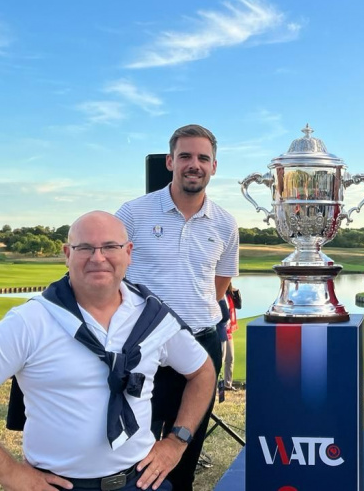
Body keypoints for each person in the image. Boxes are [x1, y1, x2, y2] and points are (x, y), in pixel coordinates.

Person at [0, 211, 216, 491]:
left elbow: (202, 372)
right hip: (57, 485)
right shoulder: (29, 321)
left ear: (128, 252)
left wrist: (177, 441)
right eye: (85, 248)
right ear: (67, 253)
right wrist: (13, 474)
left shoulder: (153, 318)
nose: (98, 258)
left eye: (110, 247)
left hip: (140, 481)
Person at [115, 124, 239, 491]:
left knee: (185, 449)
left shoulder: (226, 223)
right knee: (134, 456)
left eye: (203, 158)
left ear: (214, 167)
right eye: (185, 156)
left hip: (202, 347)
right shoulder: (134, 213)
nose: (194, 164)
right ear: (170, 161)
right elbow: (111, 273)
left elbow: (220, 283)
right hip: (141, 348)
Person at [221, 284, 239, 391]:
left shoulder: (229, 294)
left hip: (228, 330)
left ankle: (227, 384)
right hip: (220, 330)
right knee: (221, 358)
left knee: (230, 358)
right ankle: (213, 385)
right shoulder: (217, 292)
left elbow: (239, 305)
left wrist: (235, 291)